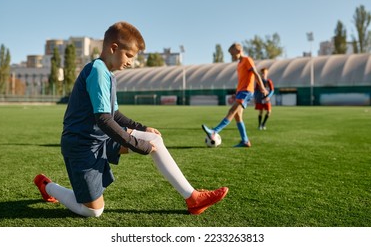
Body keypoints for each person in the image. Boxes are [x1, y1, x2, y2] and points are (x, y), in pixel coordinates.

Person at [34, 21, 228, 217]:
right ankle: (47, 186)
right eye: (129, 55)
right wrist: (136, 144)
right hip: (81, 145)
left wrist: (142, 128)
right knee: (94, 211)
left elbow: (115, 115)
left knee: (154, 139)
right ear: (113, 48)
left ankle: (192, 198)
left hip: (100, 138)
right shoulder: (97, 71)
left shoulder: (109, 75)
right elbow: (104, 119)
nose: (130, 62)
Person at [201, 43, 268, 147]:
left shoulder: (247, 60)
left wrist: (262, 87)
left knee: (232, 111)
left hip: (246, 91)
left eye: (232, 54)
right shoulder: (239, 63)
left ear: (238, 51)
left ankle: (214, 131)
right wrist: (236, 93)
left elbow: (256, 74)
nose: (232, 57)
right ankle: (245, 141)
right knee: (237, 116)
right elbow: (242, 80)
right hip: (241, 92)